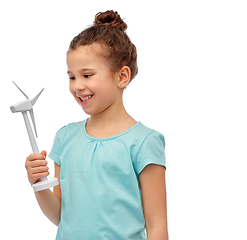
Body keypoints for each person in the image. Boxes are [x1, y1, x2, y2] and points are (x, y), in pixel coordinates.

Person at [25, 10, 168, 240]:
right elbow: (61, 217)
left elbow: (157, 227)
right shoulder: (65, 138)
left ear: (122, 76)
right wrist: (38, 183)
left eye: (87, 75)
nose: (77, 86)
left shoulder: (144, 142)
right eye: (72, 77)